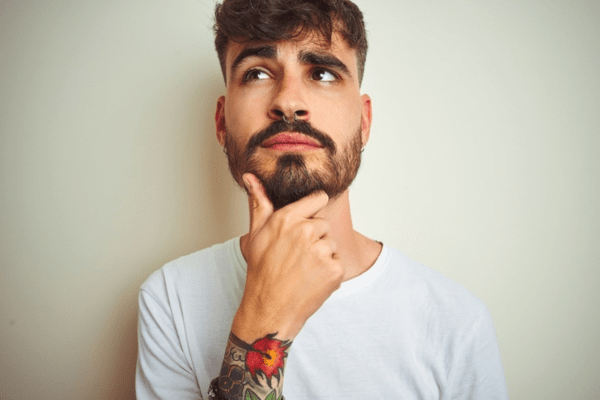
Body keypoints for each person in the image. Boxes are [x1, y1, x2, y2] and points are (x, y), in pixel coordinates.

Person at [136, 0, 509, 398]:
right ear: (221, 123)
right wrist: (263, 320)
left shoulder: (456, 321)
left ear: (364, 122)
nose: (289, 102)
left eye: (323, 73)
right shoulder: (170, 300)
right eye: (257, 73)